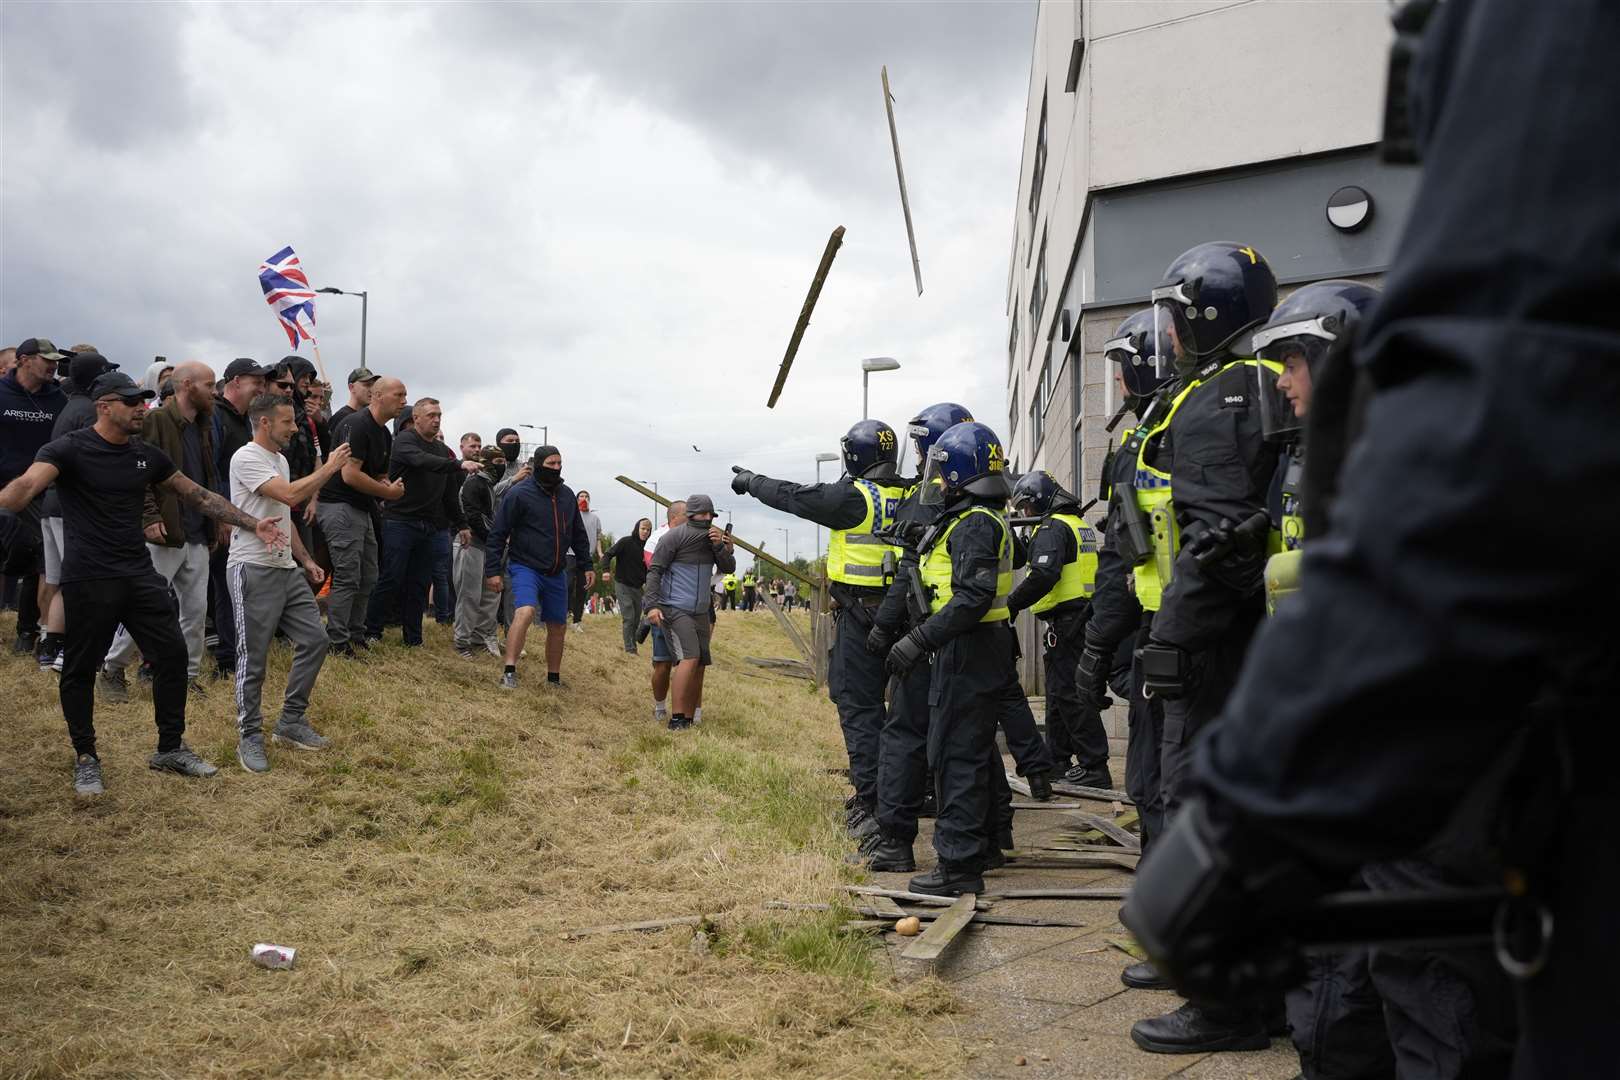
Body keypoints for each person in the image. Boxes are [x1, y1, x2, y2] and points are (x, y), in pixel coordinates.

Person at [0, 371, 285, 795]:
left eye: (142, 400)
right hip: (89, 578)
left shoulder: (145, 455)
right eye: (131, 401)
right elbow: (24, 487)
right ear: (104, 407)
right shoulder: (69, 450)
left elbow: (199, 495)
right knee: (79, 670)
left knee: (171, 657)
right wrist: (12, 497)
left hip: (137, 573)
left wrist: (251, 523)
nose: (140, 408)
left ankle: (169, 748)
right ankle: (86, 757)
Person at [732, 418, 907, 845]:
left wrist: (752, 482)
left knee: (859, 709)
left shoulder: (853, 498)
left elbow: (793, 497)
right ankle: (903, 795)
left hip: (862, 619)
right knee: (905, 716)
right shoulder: (911, 494)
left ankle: (873, 804)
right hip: (907, 615)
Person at [877, 421, 1016, 897]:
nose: (935, 480)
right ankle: (972, 854)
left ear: (959, 473)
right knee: (960, 753)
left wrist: (919, 640)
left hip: (969, 648)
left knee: (957, 756)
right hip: (969, 647)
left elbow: (972, 596)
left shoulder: (977, 522)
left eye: (941, 471)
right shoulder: (970, 517)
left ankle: (957, 868)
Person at [228, 393, 353, 772]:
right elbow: (290, 494)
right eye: (288, 422)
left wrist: (306, 559)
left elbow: (283, 513)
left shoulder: (279, 459)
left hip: (286, 568)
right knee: (255, 657)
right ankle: (250, 734)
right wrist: (329, 467)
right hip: (253, 567)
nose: (295, 428)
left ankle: (291, 721)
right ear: (265, 423)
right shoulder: (246, 457)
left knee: (316, 640)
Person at [98, 361, 222, 700]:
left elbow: (206, 479)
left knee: (195, 614)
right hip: (163, 531)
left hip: (195, 532)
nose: (214, 391)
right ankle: (112, 669)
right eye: (209, 384)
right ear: (186, 385)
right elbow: (136, 474)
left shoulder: (204, 424)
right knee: (145, 608)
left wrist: (215, 521)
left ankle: (185, 677)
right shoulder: (154, 422)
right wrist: (149, 517)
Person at [1006, 470, 1109, 787]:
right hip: (1080, 618)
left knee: (1071, 696)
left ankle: (1094, 767)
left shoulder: (1053, 527)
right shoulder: (1076, 524)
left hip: (1069, 622)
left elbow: (1043, 575)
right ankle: (1058, 761)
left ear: (1037, 501)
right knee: (1059, 695)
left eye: (1025, 507)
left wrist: (1011, 604)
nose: (1024, 514)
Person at [365, 398, 476, 647]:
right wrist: (457, 463)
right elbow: (421, 460)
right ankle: (372, 631)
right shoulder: (406, 441)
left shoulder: (442, 451)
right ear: (416, 419)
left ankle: (413, 638)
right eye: (431, 415)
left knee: (420, 583)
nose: (436, 420)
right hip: (400, 521)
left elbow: (449, 494)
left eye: (439, 415)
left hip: (431, 526)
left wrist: (462, 524)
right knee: (392, 577)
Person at [483, 445, 594, 689]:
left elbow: (578, 534)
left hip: (556, 570)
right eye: (551, 464)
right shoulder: (519, 494)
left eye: (559, 464)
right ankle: (509, 670)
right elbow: (498, 533)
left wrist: (587, 564)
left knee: (558, 625)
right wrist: (493, 571)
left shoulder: (566, 496)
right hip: (525, 566)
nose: (556, 468)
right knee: (525, 612)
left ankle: (553, 678)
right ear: (538, 466)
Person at [36, 349, 118, 672]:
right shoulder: (90, 413)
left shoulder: (70, 407)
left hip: (51, 504)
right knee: (82, 582)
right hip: (73, 507)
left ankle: (51, 649)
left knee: (62, 581)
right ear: (97, 380)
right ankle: (70, 653)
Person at [315, 376, 406, 656]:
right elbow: (349, 474)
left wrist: (388, 484)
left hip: (362, 507)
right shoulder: (357, 424)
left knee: (369, 575)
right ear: (378, 396)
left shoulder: (384, 433)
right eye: (398, 395)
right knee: (348, 575)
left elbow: (377, 472)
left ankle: (355, 633)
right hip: (340, 505)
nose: (404, 401)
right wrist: (387, 493)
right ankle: (337, 640)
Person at [0, 338, 70, 656]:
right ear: (24, 360)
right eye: (46, 360)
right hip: (4, 491)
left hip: (43, 490)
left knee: (39, 559)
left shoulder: (60, 398)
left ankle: (27, 632)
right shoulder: (2, 392)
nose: (53, 365)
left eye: (55, 360)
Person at [643, 494, 735, 729]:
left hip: (701, 610)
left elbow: (728, 567)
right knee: (689, 657)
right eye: (702, 514)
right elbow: (655, 571)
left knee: (700, 661)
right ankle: (677, 718)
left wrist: (721, 547)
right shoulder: (672, 538)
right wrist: (652, 605)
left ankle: (689, 717)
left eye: (710, 515)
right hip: (675, 608)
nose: (707, 519)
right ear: (690, 515)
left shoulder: (711, 539)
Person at [206, 358, 269, 680]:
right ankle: (226, 658)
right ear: (234, 382)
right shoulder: (216, 415)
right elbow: (211, 469)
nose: (261, 388)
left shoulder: (247, 421)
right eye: (255, 382)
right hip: (222, 519)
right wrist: (222, 517)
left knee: (236, 589)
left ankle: (233, 653)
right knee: (224, 587)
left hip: (246, 519)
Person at [454, 444, 505, 658]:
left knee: (489, 595)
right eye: (498, 462)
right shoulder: (474, 483)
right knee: (469, 595)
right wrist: (493, 536)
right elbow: (472, 515)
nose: (501, 467)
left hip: (486, 546)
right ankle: (462, 641)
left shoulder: (489, 485)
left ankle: (479, 637)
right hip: (471, 544)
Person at [644, 500, 687, 723]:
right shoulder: (655, 540)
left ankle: (685, 711)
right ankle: (660, 707)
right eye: (687, 515)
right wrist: (653, 606)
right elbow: (654, 573)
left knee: (688, 662)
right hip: (663, 607)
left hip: (687, 609)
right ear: (674, 518)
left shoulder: (694, 536)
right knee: (663, 662)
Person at [606, 517, 653, 654]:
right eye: (643, 529)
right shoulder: (625, 542)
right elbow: (608, 554)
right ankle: (629, 649)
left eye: (648, 530)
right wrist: (605, 570)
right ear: (637, 528)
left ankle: (633, 645)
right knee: (629, 617)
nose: (645, 532)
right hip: (622, 584)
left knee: (637, 618)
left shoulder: (648, 548)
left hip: (638, 588)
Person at [570, 490, 604, 632]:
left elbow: (598, 538)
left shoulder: (595, 518)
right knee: (568, 583)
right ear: (577, 500)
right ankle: (566, 611)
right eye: (581, 496)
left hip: (586, 557)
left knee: (583, 589)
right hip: (570, 554)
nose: (584, 499)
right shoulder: (572, 514)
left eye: (586, 497)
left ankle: (577, 620)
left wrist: (600, 552)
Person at [328, 367, 379, 433]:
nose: (371, 389)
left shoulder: (370, 419)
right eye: (367, 385)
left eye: (373, 386)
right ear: (351, 387)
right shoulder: (341, 417)